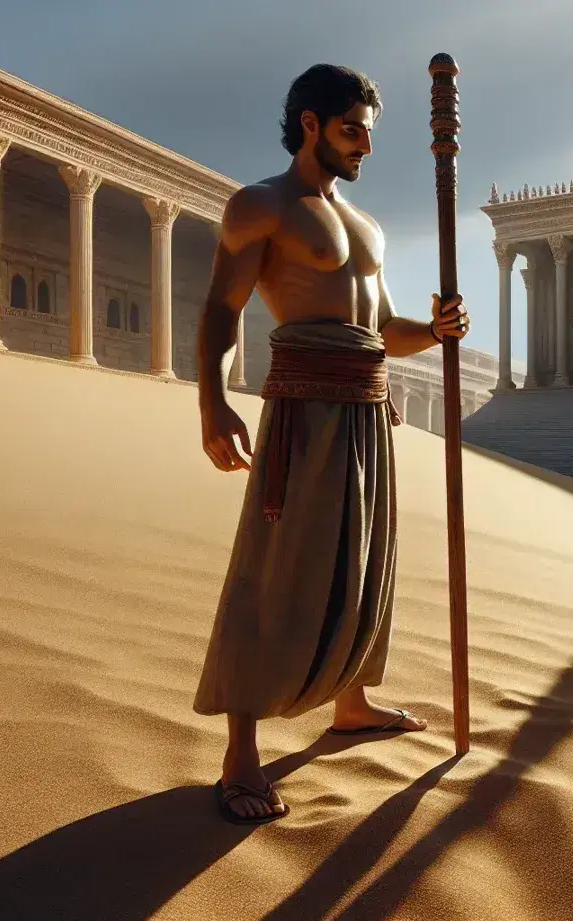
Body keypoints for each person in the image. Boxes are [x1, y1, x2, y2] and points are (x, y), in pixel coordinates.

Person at [193, 63, 469, 824]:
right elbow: (221, 310)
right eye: (352, 130)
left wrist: (436, 330)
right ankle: (240, 752)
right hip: (304, 408)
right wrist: (213, 400)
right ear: (310, 124)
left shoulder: (367, 227)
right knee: (274, 569)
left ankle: (351, 701)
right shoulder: (261, 206)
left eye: (370, 134)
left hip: (368, 410)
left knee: (365, 558)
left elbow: (384, 329)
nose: (365, 148)